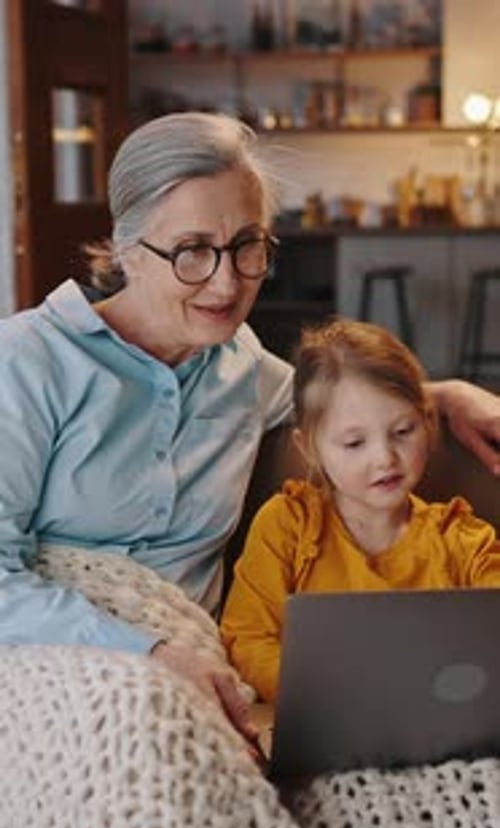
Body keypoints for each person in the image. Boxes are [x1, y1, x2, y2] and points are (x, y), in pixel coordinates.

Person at [0, 112, 498, 733]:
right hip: (52, 658)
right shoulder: (28, 360)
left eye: (247, 245)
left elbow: (344, 415)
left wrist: (443, 394)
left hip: (189, 668)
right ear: (127, 247)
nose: (227, 281)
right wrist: (146, 655)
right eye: (192, 251)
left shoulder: (244, 368)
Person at [220, 319, 500, 703]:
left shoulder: (463, 541)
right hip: (318, 719)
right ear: (310, 448)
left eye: (403, 431)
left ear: (428, 424)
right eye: (354, 443)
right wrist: (323, 695)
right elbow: (247, 640)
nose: (384, 458)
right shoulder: (288, 525)